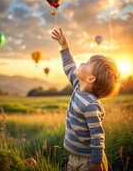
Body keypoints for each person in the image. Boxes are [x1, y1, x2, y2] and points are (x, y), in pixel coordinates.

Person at [51, 28, 120, 171]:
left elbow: (97, 137)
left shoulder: (91, 105)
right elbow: (69, 66)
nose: (81, 63)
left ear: (90, 78)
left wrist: (95, 163)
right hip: (73, 158)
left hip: (88, 162)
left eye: (87, 64)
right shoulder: (78, 86)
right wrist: (64, 46)